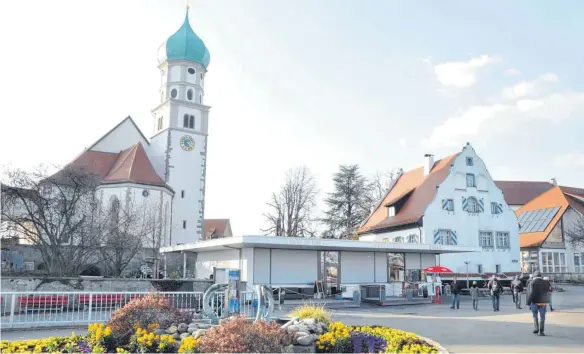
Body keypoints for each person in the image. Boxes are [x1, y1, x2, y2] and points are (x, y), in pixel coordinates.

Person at [526, 271, 550, 336]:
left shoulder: (532, 282)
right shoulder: (545, 282)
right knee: (542, 317)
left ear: (534, 276)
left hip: (534, 302)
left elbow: (530, 293)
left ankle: (536, 328)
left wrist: (528, 302)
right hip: (543, 302)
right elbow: (549, 291)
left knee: (535, 315)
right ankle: (541, 332)